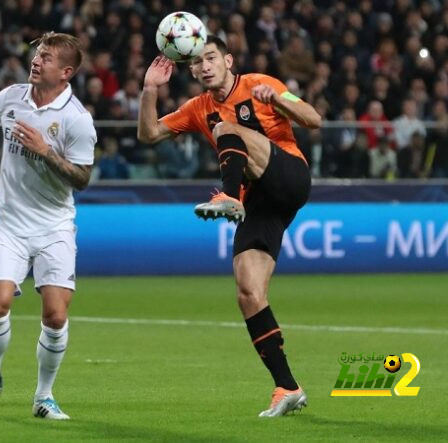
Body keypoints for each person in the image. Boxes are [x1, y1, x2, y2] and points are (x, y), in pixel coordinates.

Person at [137, 36, 321, 418]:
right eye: (197, 62)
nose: (204, 66)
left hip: (290, 176)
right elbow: (149, 134)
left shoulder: (257, 84)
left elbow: (315, 120)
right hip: (263, 202)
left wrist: (281, 100)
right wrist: (149, 90)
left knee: (225, 130)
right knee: (249, 291)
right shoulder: (198, 106)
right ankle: (287, 386)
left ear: (228, 60)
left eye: (211, 58)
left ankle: (229, 196)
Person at [0, 32, 96, 421]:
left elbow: (82, 179)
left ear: (65, 72)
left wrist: (45, 151)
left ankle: (44, 397)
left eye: (46, 58)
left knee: (55, 315)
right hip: (10, 224)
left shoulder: (76, 119)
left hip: (55, 227)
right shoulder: (10, 98)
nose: (36, 61)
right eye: (37, 54)